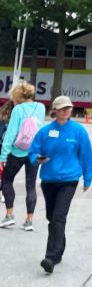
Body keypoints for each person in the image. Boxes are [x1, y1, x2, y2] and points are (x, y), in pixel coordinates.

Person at [28, 95, 92, 274]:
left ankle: (50, 257)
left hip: (69, 180)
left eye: (69, 108)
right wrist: (37, 159)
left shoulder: (78, 131)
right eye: (63, 108)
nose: (66, 111)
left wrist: (88, 178)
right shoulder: (45, 131)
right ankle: (59, 251)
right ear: (55, 110)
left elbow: (86, 155)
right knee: (53, 218)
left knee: (58, 217)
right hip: (49, 180)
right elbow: (33, 151)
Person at [0, 81, 46, 231]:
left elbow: (11, 134)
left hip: (17, 152)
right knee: (31, 186)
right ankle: (29, 221)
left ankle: (9, 215)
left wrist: (3, 156)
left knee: (6, 180)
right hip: (35, 152)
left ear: (18, 97)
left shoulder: (18, 109)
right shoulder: (41, 107)